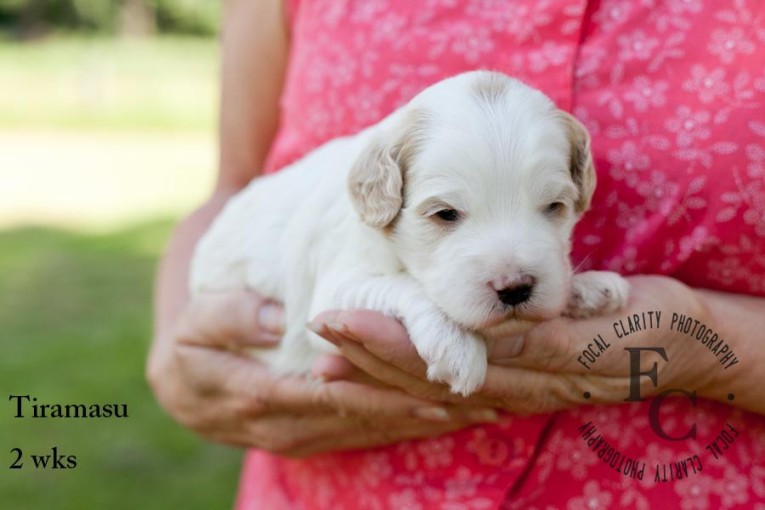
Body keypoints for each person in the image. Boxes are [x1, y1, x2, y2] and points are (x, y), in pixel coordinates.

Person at [147, 0, 765, 507]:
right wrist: (176, 356)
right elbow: (329, 284)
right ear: (382, 192)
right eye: (446, 215)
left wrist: (712, 346)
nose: (515, 272)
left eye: (551, 208)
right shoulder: (368, 183)